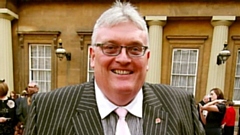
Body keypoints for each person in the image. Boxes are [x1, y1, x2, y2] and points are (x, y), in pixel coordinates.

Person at [24, 1, 205, 135]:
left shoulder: (181, 105)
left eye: (135, 49)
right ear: (93, 56)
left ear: (147, 58)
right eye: (110, 48)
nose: (123, 59)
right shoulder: (48, 109)